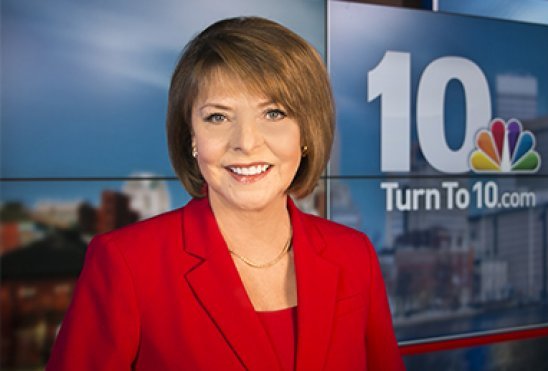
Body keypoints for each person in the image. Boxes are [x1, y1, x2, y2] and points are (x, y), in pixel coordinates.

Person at [46, 17, 405, 371]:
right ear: (191, 137)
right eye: (218, 117)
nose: (246, 143)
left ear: (306, 133)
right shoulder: (125, 264)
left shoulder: (353, 255)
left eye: (274, 113)